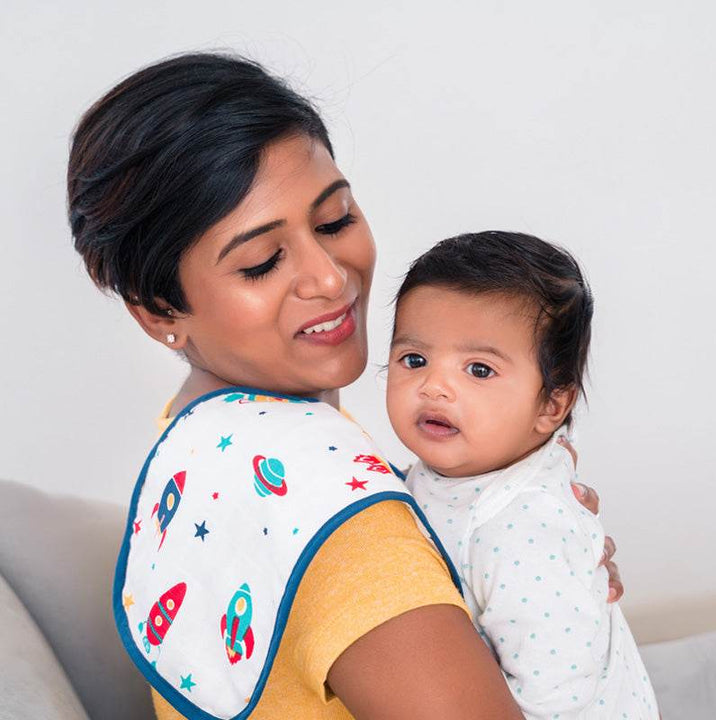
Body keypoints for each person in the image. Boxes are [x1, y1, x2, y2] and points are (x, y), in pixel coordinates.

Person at [67, 53, 623, 720]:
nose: (330, 277)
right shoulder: (344, 528)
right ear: (161, 312)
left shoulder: (202, 428)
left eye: (334, 221)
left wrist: (528, 560)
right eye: (262, 262)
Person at [387, 231, 658, 719]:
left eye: (479, 370)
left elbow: (556, 693)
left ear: (551, 405)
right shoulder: (442, 475)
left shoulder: (524, 523)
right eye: (415, 360)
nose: (434, 386)